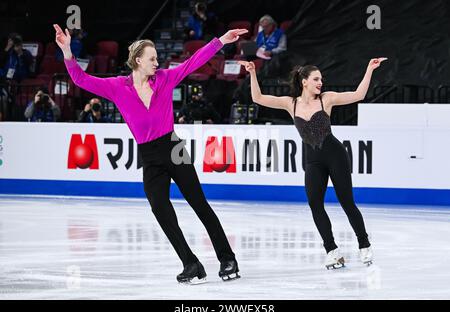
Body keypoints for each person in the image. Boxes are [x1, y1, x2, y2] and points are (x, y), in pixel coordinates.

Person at [54, 23, 247, 283]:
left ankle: (227, 259)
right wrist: (67, 50)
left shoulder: (166, 78)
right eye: (152, 58)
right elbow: (81, 80)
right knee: (160, 208)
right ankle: (190, 263)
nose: (157, 62)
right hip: (149, 155)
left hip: (173, 147)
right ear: (137, 61)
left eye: (157, 58)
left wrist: (221, 41)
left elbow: (193, 62)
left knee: (198, 203)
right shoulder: (117, 87)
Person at [240, 57, 387, 269]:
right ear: (304, 82)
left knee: (347, 202)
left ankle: (364, 245)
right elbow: (258, 98)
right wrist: (252, 73)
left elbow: (359, 95)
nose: (321, 83)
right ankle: (332, 250)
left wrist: (370, 69)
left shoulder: (326, 99)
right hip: (313, 161)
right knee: (314, 203)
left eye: (321, 79)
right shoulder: (291, 103)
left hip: (336, 155)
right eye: (316, 79)